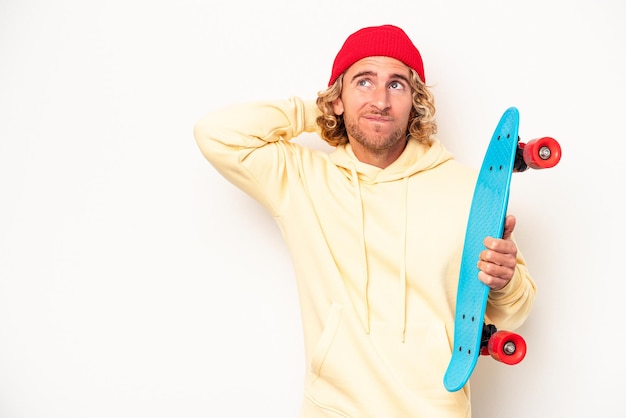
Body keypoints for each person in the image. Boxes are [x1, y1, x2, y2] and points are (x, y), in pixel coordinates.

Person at [193, 24, 536, 418]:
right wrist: (317, 109)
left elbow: (516, 311)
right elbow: (215, 134)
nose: (380, 101)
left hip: (435, 409)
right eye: (363, 82)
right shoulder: (302, 181)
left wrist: (505, 280)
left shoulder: (466, 188)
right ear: (337, 97)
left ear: (415, 101)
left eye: (396, 85)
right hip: (333, 410)